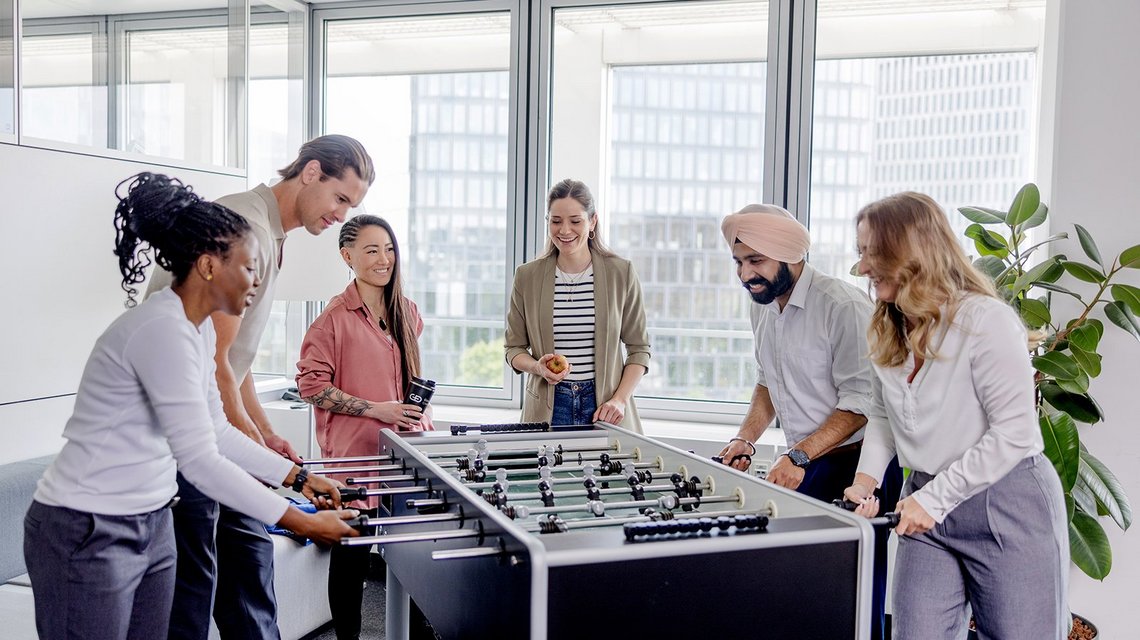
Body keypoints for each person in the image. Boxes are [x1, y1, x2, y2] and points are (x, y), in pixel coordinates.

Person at [22, 173, 360, 640]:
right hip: (89, 526)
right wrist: (301, 519)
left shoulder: (197, 331)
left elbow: (217, 432)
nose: (257, 280)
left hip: (152, 519)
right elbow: (200, 458)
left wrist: (301, 479)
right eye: (247, 266)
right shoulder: (160, 331)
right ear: (207, 267)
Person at [143, 135, 374, 640]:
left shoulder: (272, 234)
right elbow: (215, 363)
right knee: (199, 585)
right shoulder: (243, 227)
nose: (341, 215)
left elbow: (236, 356)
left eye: (351, 206)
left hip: (205, 425)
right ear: (310, 172)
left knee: (247, 570)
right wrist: (271, 463)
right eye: (341, 198)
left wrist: (266, 435)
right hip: (179, 435)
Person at [843, 192, 1068, 640]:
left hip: (1006, 500)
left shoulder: (986, 322)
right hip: (924, 498)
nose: (863, 267)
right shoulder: (888, 327)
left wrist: (936, 499)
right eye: (861, 252)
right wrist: (862, 485)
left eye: (873, 253)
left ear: (911, 253)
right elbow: (883, 417)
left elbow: (1016, 433)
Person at [717, 204, 902, 640]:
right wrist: (744, 439)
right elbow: (767, 383)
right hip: (805, 462)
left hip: (857, 466)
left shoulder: (841, 306)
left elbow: (860, 404)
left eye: (756, 261)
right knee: (800, 591)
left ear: (791, 255)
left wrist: (798, 455)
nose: (746, 275)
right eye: (739, 262)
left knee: (855, 595)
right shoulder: (761, 305)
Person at [296, 215, 434, 640]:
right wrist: (378, 409)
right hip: (355, 464)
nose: (384, 259)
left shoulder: (407, 312)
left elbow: (405, 381)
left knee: (412, 562)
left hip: (403, 457)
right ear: (348, 256)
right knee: (350, 563)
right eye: (372, 250)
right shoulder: (331, 321)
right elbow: (311, 387)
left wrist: (414, 413)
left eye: (389, 249)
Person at [504, 179, 651, 431]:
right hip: (548, 407)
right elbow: (513, 349)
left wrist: (620, 399)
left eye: (575, 221)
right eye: (556, 221)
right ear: (548, 222)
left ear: (592, 221)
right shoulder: (526, 276)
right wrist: (537, 367)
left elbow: (639, 349)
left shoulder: (621, 272)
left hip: (604, 407)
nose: (564, 230)